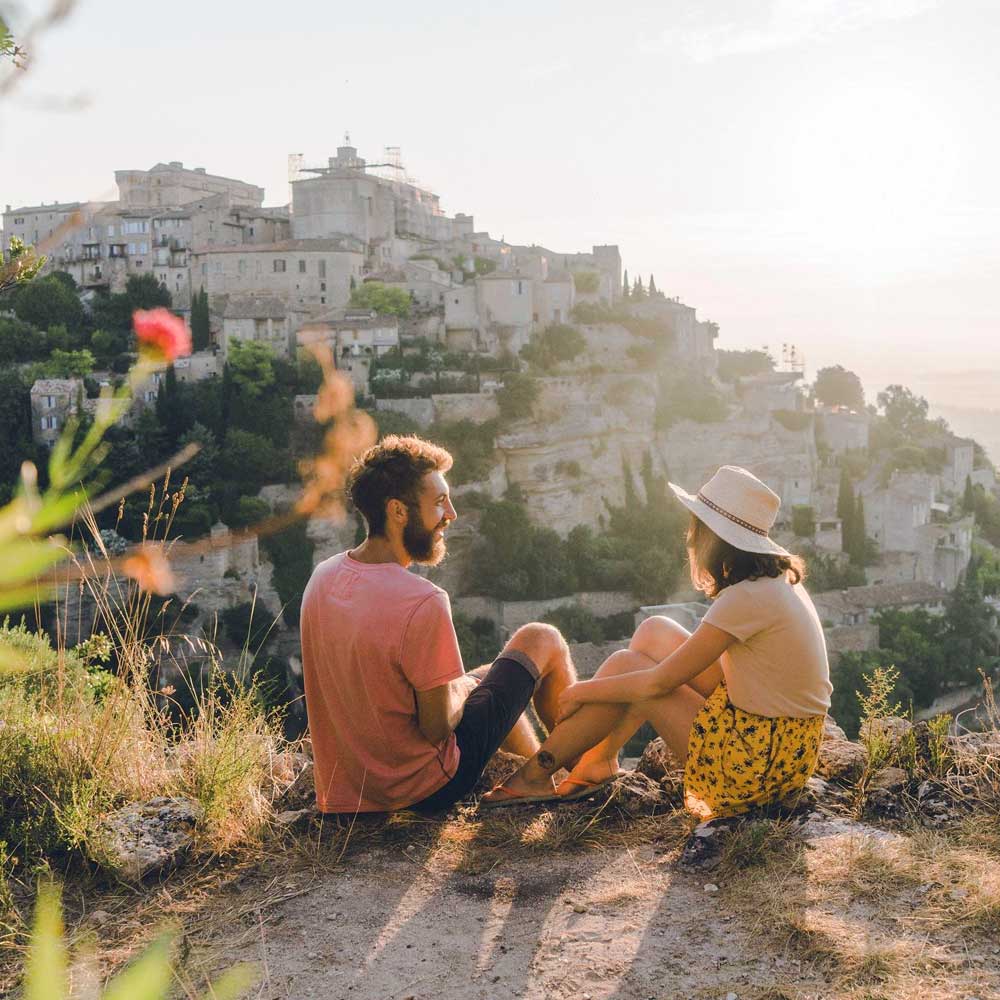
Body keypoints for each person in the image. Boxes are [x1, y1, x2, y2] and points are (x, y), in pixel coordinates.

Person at [483, 465, 833, 822]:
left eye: (696, 524)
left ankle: (537, 774)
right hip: (785, 747)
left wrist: (580, 692)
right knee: (654, 631)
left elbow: (657, 683)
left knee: (632, 668)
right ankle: (597, 761)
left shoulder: (746, 598)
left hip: (757, 768)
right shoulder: (775, 581)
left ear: (712, 536)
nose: (689, 534)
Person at [300, 434, 576, 815]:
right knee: (542, 639)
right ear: (398, 511)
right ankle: (583, 776)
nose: (451, 514)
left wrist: (465, 685)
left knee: (483, 681)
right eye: (439, 502)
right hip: (421, 789)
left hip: (349, 794)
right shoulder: (423, 600)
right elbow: (438, 728)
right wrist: (462, 688)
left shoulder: (322, 578)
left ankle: (539, 781)